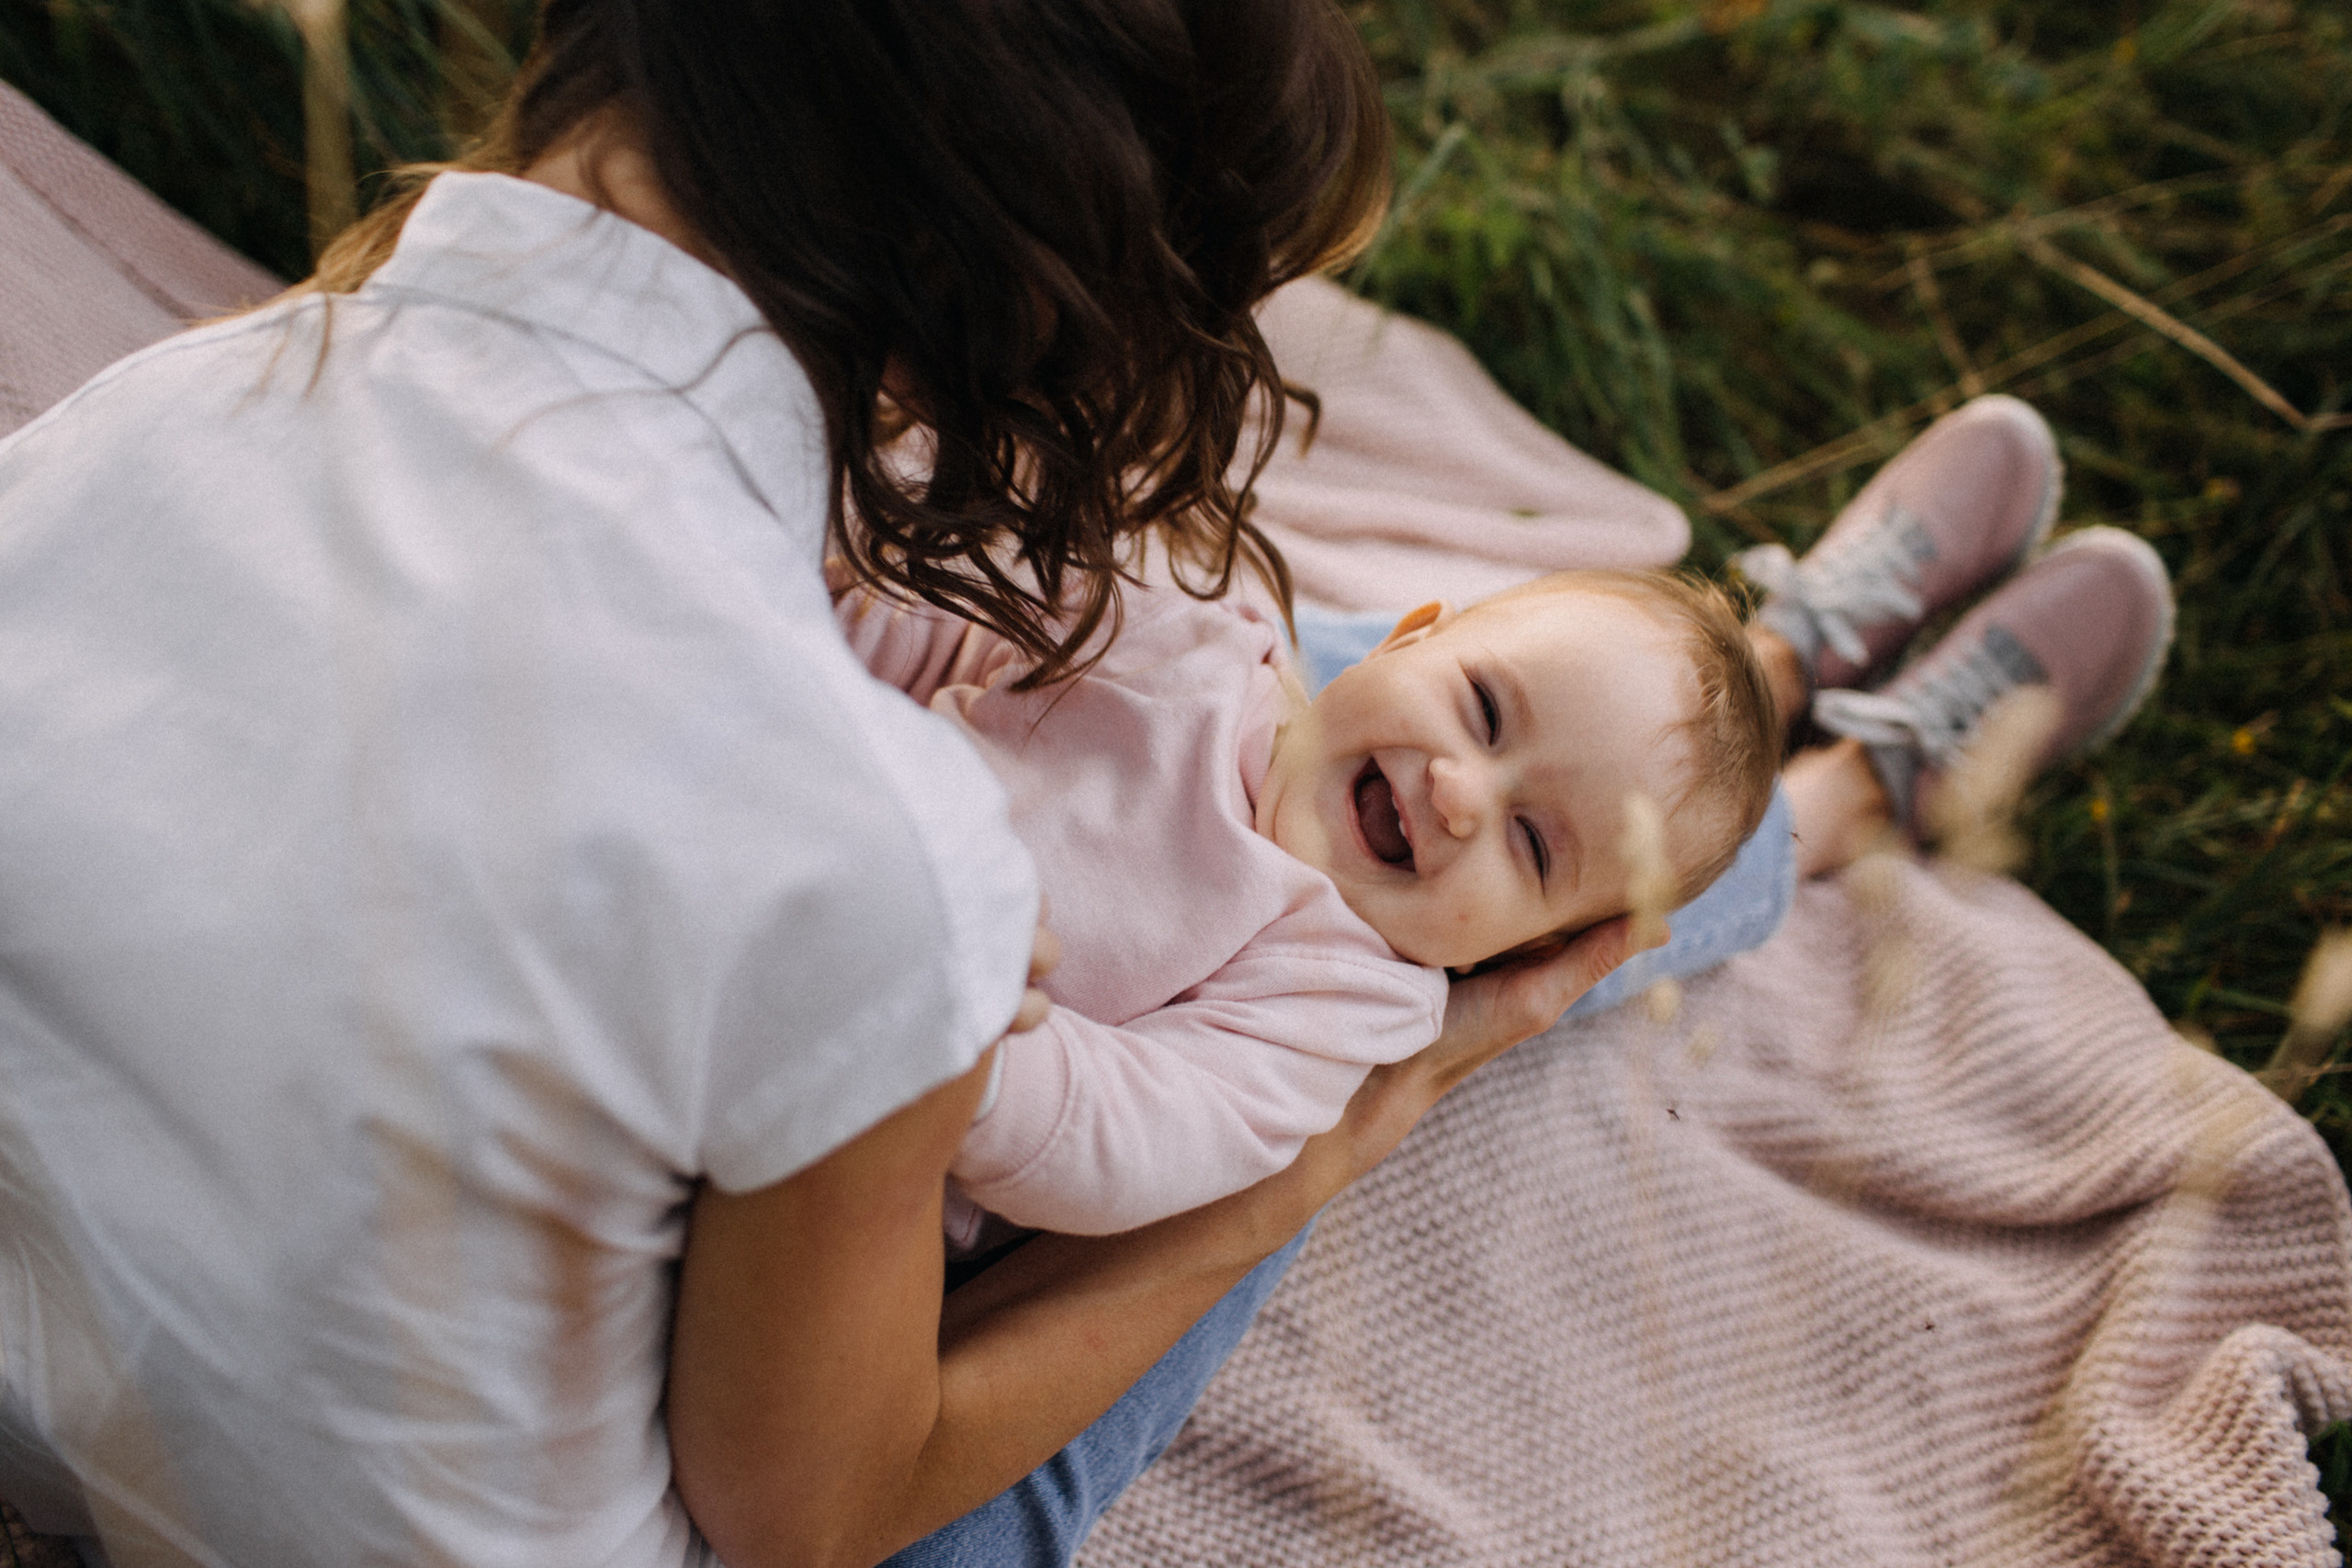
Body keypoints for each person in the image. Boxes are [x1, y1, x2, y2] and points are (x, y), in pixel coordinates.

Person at [0, 6, 1654, 1568]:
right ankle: (1736, 777)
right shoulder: (885, 863)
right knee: (1379, 961)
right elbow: (810, 1517)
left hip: (47, 1400)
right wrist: (1320, 1164)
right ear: (1062, 325)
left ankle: (1710, 704)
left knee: (1361, 720)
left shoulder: (168, 399)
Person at [837, 567, 1780, 1239]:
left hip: (872, 1088)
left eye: (1531, 843)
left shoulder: (1340, 993)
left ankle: (1813, 763)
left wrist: (972, 1059)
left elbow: (1147, 1132)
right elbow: (949, 629)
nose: (1458, 792)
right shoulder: (1196, 638)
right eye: (1484, 710)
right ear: (1404, 638)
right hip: (812, 822)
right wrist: (820, 644)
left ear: (1523, 950)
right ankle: (1802, 661)